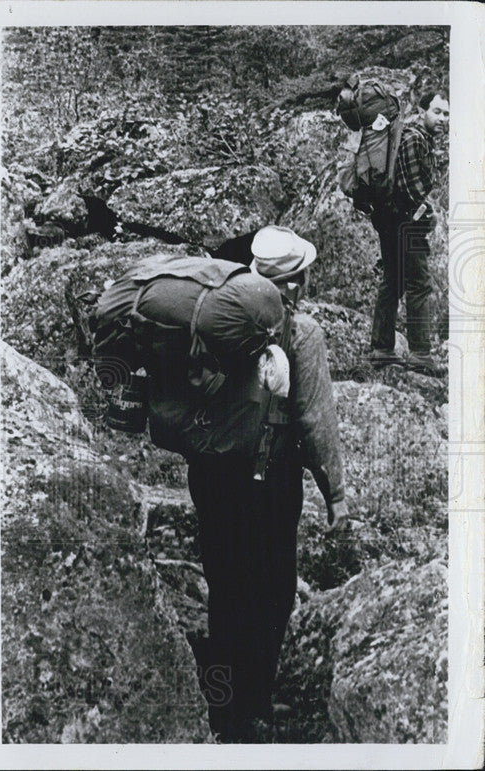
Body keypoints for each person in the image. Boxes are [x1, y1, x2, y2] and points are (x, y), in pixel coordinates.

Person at [186, 226, 347, 742]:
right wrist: (336, 494)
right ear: (293, 284)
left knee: (226, 582)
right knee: (273, 589)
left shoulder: (212, 313)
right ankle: (254, 701)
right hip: (270, 478)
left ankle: (221, 701)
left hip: (210, 474)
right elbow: (315, 419)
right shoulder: (302, 333)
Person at [368, 91, 449, 376]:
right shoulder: (415, 138)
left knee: (392, 279)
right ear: (422, 110)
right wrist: (428, 211)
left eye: (446, 114)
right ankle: (420, 353)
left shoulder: (413, 136)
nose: (442, 119)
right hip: (406, 221)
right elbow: (413, 188)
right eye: (437, 112)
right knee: (419, 284)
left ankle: (381, 349)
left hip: (389, 219)